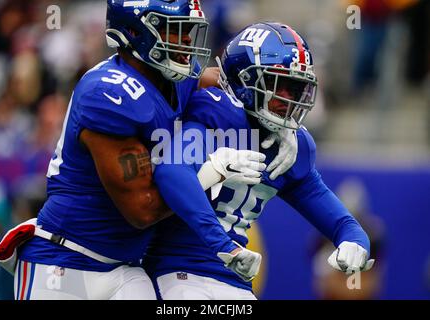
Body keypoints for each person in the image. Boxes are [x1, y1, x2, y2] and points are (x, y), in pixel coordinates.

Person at [0, 0, 267, 300]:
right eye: (175, 31)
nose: (188, 40)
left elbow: (231, 87)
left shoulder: (174, 77)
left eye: (189, 30)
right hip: (67, 260)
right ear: (136, 32)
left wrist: (284, 126)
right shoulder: (107, 93)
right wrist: (209, 173)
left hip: (125, 268)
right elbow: (142, 209)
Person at [143, 22, 375, 300]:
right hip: (177, 270)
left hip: (233, 280)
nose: (286, 99)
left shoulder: (291, 147)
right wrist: (223, 243)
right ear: (244, 82)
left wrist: (356, 242)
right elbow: (172, 172)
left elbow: (340, 222)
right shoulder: (217, 115)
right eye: (278, 84)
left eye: (295, 87)